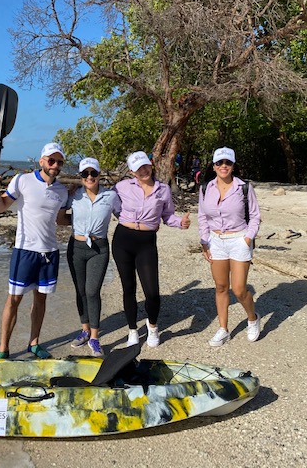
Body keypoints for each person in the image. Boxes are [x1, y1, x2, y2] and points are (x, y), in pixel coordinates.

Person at [0, 142, 69, 360]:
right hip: (24, 251)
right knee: (13, 300)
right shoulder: (23, 180)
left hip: (50, 252)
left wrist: (89, 219)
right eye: (51, 160)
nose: (55, 165)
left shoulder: (61, 191)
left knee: (41, 300)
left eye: (59, 162)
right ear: (41, 161)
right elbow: (0, 207)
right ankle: (3, 349)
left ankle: (34, 344)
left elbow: (61, 220)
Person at [112, 151, 191, 348]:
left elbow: (168, 216)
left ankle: (153, 326)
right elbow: (109, 204)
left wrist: (180, 223)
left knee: (152, 292)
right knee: (128, 288)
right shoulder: (121, 187)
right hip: (123, 239)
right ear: (132, 171)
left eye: (146, 166)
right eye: (138, 168)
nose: (144, 170)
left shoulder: (163, 190)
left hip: (146, 242)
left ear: (151, 165)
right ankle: (132, 330)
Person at [197, 146, 262, 347]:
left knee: (240, 289)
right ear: (214, 166)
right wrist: (204, 241)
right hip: (215, 241)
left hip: (239, 239)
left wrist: (248, 239)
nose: (223, 166)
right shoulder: (205, 188)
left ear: (233, 166)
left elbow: (256, 215)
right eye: (219, 163)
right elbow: (202, 216)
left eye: (228, 163)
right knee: (221, 286)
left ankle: (253, 318)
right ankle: (223, 329)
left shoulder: (244, 187)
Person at [64, 157, 121, 357]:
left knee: (92, 291)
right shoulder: (74, 195)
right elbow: (60, 215)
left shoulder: (111, 196)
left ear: (99, 175)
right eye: (85, 174)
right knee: (80, 291)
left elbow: (123, 216)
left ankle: (95, 338)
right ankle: (85, 330)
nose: (89, 177)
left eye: (93, 173)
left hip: (99, 247)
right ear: (80, 177)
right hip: (76, 247)